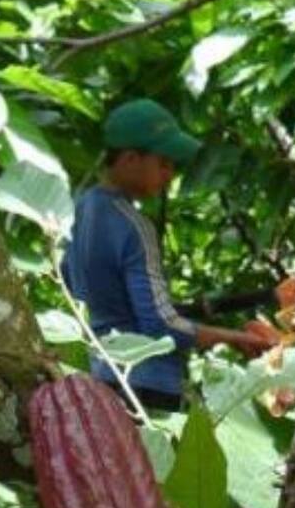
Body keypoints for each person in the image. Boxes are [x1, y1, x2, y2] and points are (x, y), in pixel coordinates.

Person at [60, 98, 279, 412]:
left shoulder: (76, 212)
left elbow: (73, 286)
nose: (170, 175)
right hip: (147, 386)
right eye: (163, 163)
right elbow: (162, 326)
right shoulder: (134, 226)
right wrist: (234, 337)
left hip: (99, 376)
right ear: (131, 158)